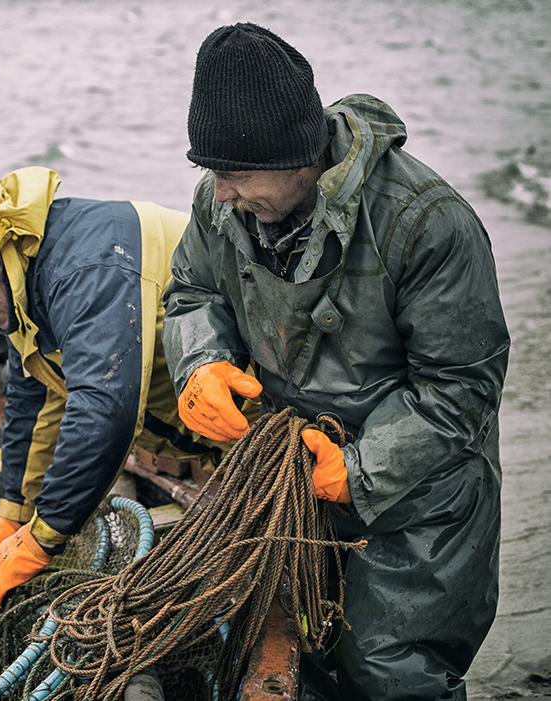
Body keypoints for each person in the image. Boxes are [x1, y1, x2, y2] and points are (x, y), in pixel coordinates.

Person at [162, 23, 510, 701]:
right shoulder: (219, 202)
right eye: (211, 172)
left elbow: (462, 386)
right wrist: (199, 361)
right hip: (294, 484)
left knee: (389, 669)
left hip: (419, 496)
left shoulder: (427, 222)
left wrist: (356, 469)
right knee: (305, 661)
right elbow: (190, 291)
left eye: (233, 174)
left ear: (298, 157)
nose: (219, 192)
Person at [0, 166, 248, 615]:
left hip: (267, 391)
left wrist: (43, 537)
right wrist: (13, 516)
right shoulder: (22, 280)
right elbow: (36, 399)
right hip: (214, 431)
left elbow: (106, 409)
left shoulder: (84, 266)